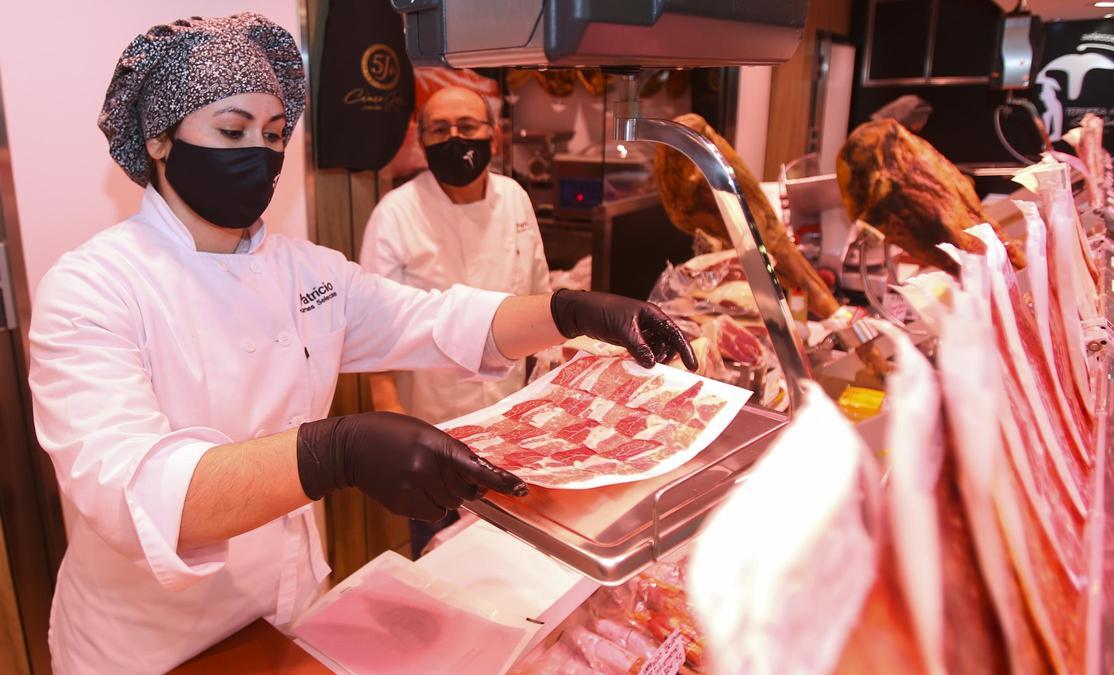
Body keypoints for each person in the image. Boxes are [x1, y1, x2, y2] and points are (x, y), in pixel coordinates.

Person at [27, 14, 695, 673]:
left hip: (288, 615)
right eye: (231, 130)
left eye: (273, 134)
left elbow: (437, 319)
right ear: (159, 141)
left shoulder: (303, 271)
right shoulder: (92, 288)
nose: (258, 153)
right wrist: (332, 453)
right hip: (153, 646)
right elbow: (133, 491)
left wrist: (570, 310)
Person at [360, 86, 552, 555]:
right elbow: (369, 329)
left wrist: (549, 399)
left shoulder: (514, 198)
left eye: (468, 127)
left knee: (517, 553)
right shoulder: (395, 214)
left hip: (513, 420)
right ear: (421, 141)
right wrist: (395, 427)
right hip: (434, 426)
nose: (455, 138)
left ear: (494, 135)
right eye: (440, 130)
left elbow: (539, 297)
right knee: (443, 557)